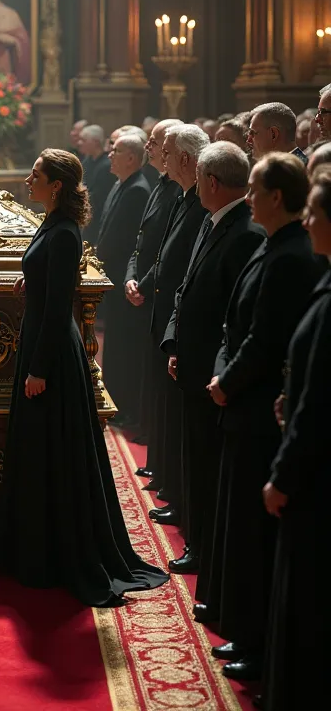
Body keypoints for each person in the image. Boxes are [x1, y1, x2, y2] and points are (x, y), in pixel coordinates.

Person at [0, 148, 168, 606]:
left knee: (54, 453)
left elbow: (57, 310)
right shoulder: (52, 223)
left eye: (35, 174)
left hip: (50, 353)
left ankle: (56, 555)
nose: (27, 179)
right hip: (40, 341)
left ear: (56, 186)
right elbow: (45, 277)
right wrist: (29, 280)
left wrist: (38, 370)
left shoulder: (67, 233)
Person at [199, 153, 322, 681]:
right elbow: (237, 322)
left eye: (253, 189)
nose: (246, 196)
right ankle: (243, 628)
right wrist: (223, 371)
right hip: (243, 406)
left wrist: (228, 382)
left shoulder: (294, 255)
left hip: (257, 411)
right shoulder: (272, 244)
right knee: (239, 527)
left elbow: (267, 338)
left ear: (277, 197)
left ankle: (255, 639)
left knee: (253, 536)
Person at [160, 142, 264, 576]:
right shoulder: (212, 219)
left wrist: (216, 370)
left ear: (213, 182)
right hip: (192, 363)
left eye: (200, 179)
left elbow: (233, 315)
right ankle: (198, 541)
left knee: (208, 466)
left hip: (212, 376)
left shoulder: (244, 233)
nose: (196, 186)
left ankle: (205, 551)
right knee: (195, 461)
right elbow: (186, 289)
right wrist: (173, 343)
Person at [260, 166, 331, 711]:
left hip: (313, 477)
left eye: (314, 212)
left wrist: (282, 474)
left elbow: (319, 400)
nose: (306, 220)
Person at [148, 124, 210, 528]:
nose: (163, 158)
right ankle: (175, 491)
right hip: (171, 322)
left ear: (186, 159)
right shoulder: (184, 196)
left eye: (168, 152)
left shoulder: (201, 204)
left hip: (192, 334)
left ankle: (185, 505)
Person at [124, 119, 182, 471]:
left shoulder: (174, 189)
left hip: (160, 293)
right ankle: (155, 455)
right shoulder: (160, 184)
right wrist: (132, 277)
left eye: (158, 142)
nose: (151, 147)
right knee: (151, 376)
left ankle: (161, 460)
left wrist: (142, 284)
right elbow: (141, 242)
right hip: (145, 286)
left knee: (161, 382)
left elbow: (167, 252)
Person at [96, 133, 151, 426]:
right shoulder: (122, 184)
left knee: (122, 346)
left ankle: (124, 404)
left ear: (131, 157)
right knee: (114, 343)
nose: (110, 155)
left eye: (115, 150)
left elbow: (128, 240)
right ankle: (115, 398)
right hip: (114, 278)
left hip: (122, 278)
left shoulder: (137, 190)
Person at [78, 124, 114, 244]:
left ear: (96, 142)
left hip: (97, 218)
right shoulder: (87, 161)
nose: (79, 142)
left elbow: (99, 195)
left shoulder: (106, 165)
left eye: (83, 140)